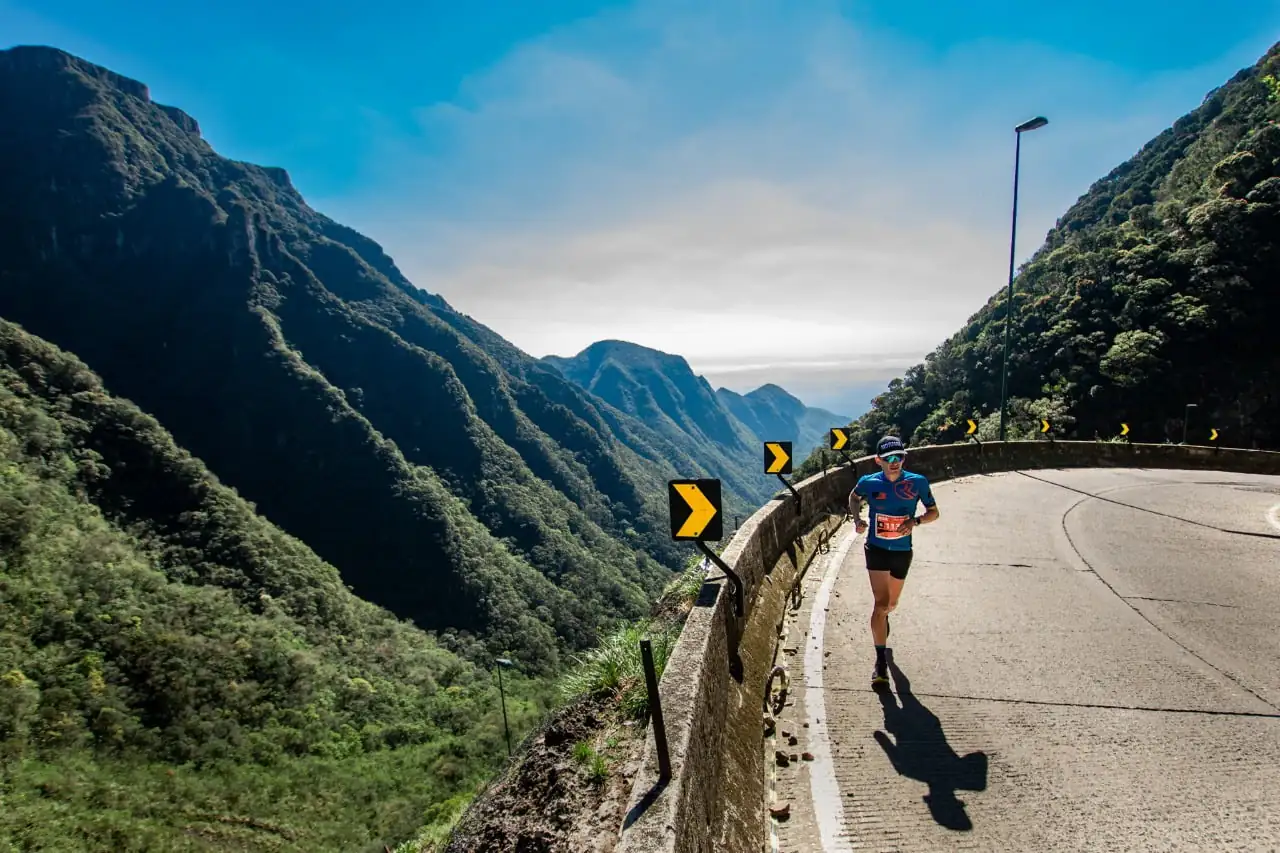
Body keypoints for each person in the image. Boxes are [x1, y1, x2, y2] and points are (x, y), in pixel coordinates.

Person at [846, 435, 940, 687]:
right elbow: (854, 498)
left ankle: (885, 620)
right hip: (876, 547)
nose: (894, 462)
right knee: (880, 604)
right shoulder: (869, 482)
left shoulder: (917, 482)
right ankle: (880, 663)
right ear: (879, 461)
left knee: (891, 605)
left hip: (901, 551)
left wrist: (915, 521)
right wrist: (857, 520)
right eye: (889, 458)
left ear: (904, 459)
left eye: (898, 457)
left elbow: (934, 513)